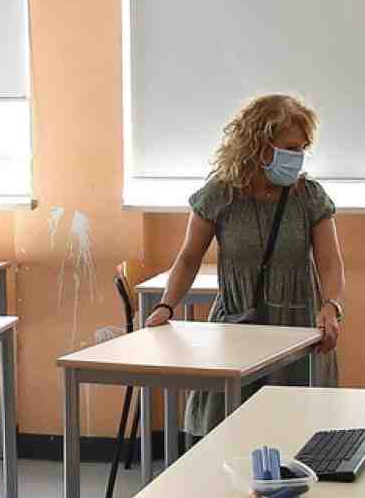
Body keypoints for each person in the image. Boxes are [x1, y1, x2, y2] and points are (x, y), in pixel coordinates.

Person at [147, 93, 347, 437]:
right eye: (290, 148)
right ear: (259, 145)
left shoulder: (309, 196)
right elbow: (188, 257)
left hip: (297, 330)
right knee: (227, 434)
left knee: (296, 434)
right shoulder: (220, 194)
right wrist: (166, 305)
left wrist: (332, 306)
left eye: (303, 148)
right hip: (236, 328)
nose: (298, 157)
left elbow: (330, 263)